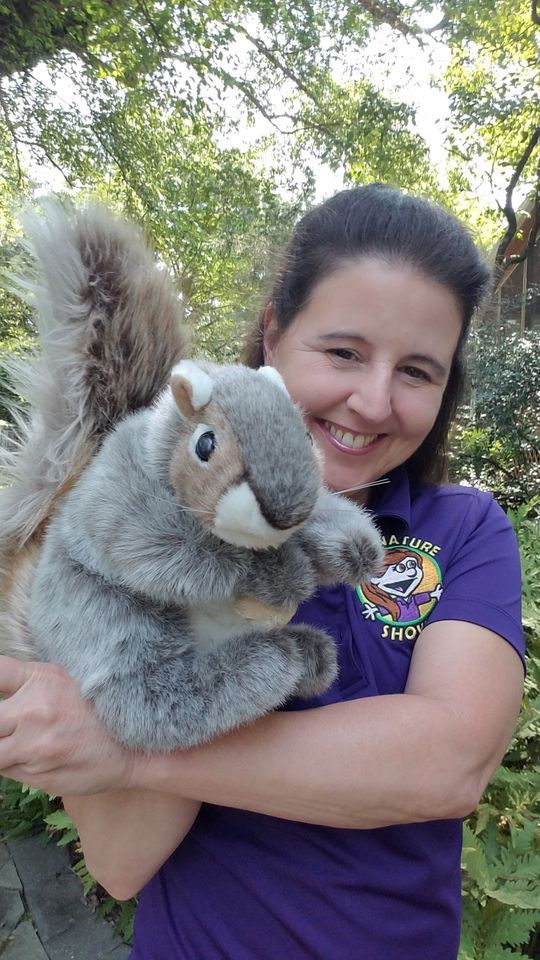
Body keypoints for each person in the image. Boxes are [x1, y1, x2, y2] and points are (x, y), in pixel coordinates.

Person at [0, 184, 524, 960]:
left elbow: (446, 764)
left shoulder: (465, 529)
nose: (373, 401)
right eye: (344, 352)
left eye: (418, 371)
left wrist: (137, 743)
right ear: (274, 334)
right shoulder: (138, 539)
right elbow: (121, 860)